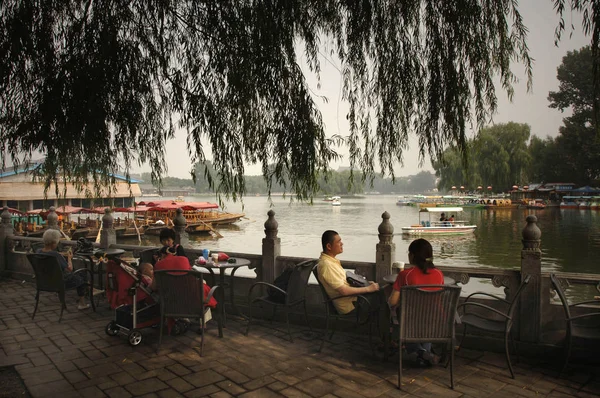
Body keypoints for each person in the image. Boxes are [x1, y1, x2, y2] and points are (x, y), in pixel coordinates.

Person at [388, 238, 444, 366]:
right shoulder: (439, 274)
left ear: (412, 256)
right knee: (427, 316)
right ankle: (425, 355)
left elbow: (393, 301)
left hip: (411, 325)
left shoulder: (405, 275)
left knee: (399, 314)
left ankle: (421, 353)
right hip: (436, 323)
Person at [317, 230, 380, 315]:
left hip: (354, 300)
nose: (342, 243)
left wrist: (366, 284)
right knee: (381, 297)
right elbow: (344, 291)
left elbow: (345, 283)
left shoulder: (331, 261)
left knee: (380, 291)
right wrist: (368, 289)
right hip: (350, 306)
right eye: (338, 242)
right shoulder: (327, 265)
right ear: (329, 246)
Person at [38, 229, 89, 310]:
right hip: (60, 283)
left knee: (78, 275)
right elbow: (70, 269)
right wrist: (69, 258)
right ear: (54, 243)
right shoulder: (55, 255)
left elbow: (49, 253)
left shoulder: (38, 251)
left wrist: (61, 254)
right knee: (82, 274)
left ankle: (84, 294)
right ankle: (82, 302)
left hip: (45, 281)